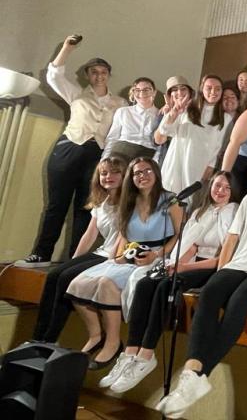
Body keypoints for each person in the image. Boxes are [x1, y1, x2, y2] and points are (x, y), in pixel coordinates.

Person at [155, 150, 247, 419]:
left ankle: (201, 373)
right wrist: (222, 271)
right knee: (210, 293)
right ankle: (191, 372)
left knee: (239, 301)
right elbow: (232, 239)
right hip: (240, 263)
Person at [99, 172, 239, 393]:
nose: (220, 191)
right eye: (217, 186)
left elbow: (223, 258)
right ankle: (130, 352)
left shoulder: (234, 213)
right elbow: (193, 245)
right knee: (146, 284)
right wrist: (176, 263)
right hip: (189, 263)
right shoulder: (201, 212)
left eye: (226, 188)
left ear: (233, 191)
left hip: (212, 268)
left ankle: (146, 354)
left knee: (166, 286)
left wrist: (184, 268)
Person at [16, 35, 126, 267]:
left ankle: (74, 259)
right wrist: (67, 48)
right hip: (68, 150)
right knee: (57, 205)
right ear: (87, 75)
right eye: (93, 72)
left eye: (103, 72)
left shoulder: (120, 103)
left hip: (98, 156)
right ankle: (42, 254)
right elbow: (54, 75)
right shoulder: (76, 93)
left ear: (109, 74)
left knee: (86, 208)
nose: (98, 76)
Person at [65, 157, 180, 369]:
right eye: (137, 173)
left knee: (105, 284)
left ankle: (113, 342)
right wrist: (120, 255)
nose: (143, 176)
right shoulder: (129, 202)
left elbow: (179, 235)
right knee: (76, 285)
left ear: (156, 173)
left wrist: (157, 255)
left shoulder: (170, 200)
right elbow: (124, 234)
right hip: (130, 255)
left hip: (157, 257)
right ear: (131, 178)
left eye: (147, 171)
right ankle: (96, 335)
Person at [31, 156, 126, 343]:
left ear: (125, 176)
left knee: (66, 278)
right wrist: (73, 261)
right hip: (101, 252)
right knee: (54, 275)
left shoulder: (129, 202)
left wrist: (111, 261)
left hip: (114, 256)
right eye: (104, 173)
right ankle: (37, 337)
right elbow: (89, 235)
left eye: (115, 172)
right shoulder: (102, 202)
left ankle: (50, 338)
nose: (108, 177)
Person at [156, 74, 232, 193]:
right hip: (177, 162)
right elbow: (162, 135)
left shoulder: (226, 118)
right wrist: (173, 113)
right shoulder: (185, 109)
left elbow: (219, 146)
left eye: (218, 89)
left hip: (200, 165)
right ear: (201, 89)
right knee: (169, 196)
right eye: (209, 88)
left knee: (190, 197)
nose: (213, 92)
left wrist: (211, 166)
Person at [103, 77, 160, 160]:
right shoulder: (123, 112)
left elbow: (160, 146)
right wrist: (104, 159)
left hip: (147, 156)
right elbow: (112, 138)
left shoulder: (161, 115)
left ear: (154, 92)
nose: (141, 93)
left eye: (146, 90)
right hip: (121, 151)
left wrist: (155, 162)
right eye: (137, 90)